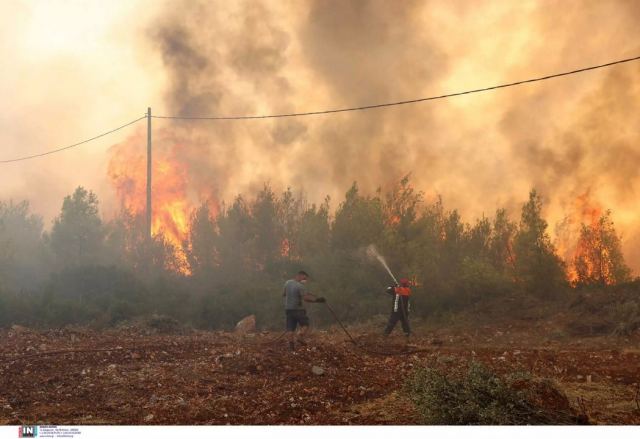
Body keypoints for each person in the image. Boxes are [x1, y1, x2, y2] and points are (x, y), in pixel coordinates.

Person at [283, 270, 325, 351]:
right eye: (304, 278)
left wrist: (292, 295)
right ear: (299, 275)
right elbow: (306, 298)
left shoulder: (287, 282)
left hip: (288, 309)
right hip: (298, 310)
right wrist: (317, 300)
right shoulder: (300, 286)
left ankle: (291, 348)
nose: (304, 280)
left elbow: (284, 294)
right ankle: (300, 336)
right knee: (305, 324)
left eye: (305, 279)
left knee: (290, 329)